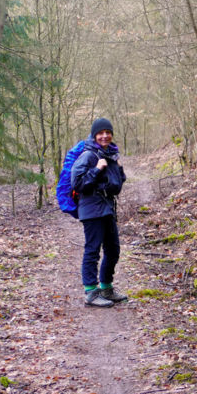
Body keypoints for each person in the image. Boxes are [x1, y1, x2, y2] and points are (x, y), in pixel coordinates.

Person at [71, 117, 128, 307]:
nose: (105, 136)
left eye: (108, 132)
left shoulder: (110, 155)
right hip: (91, 209)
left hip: (106, 208)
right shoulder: (88, 155)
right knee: (93, 250)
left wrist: (119, 169)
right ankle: (91, 292)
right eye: (101, 133)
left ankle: (106, 288)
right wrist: (96, 169)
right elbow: (77, 183)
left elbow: (116, 185)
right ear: (94, 135)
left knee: (113, 250)